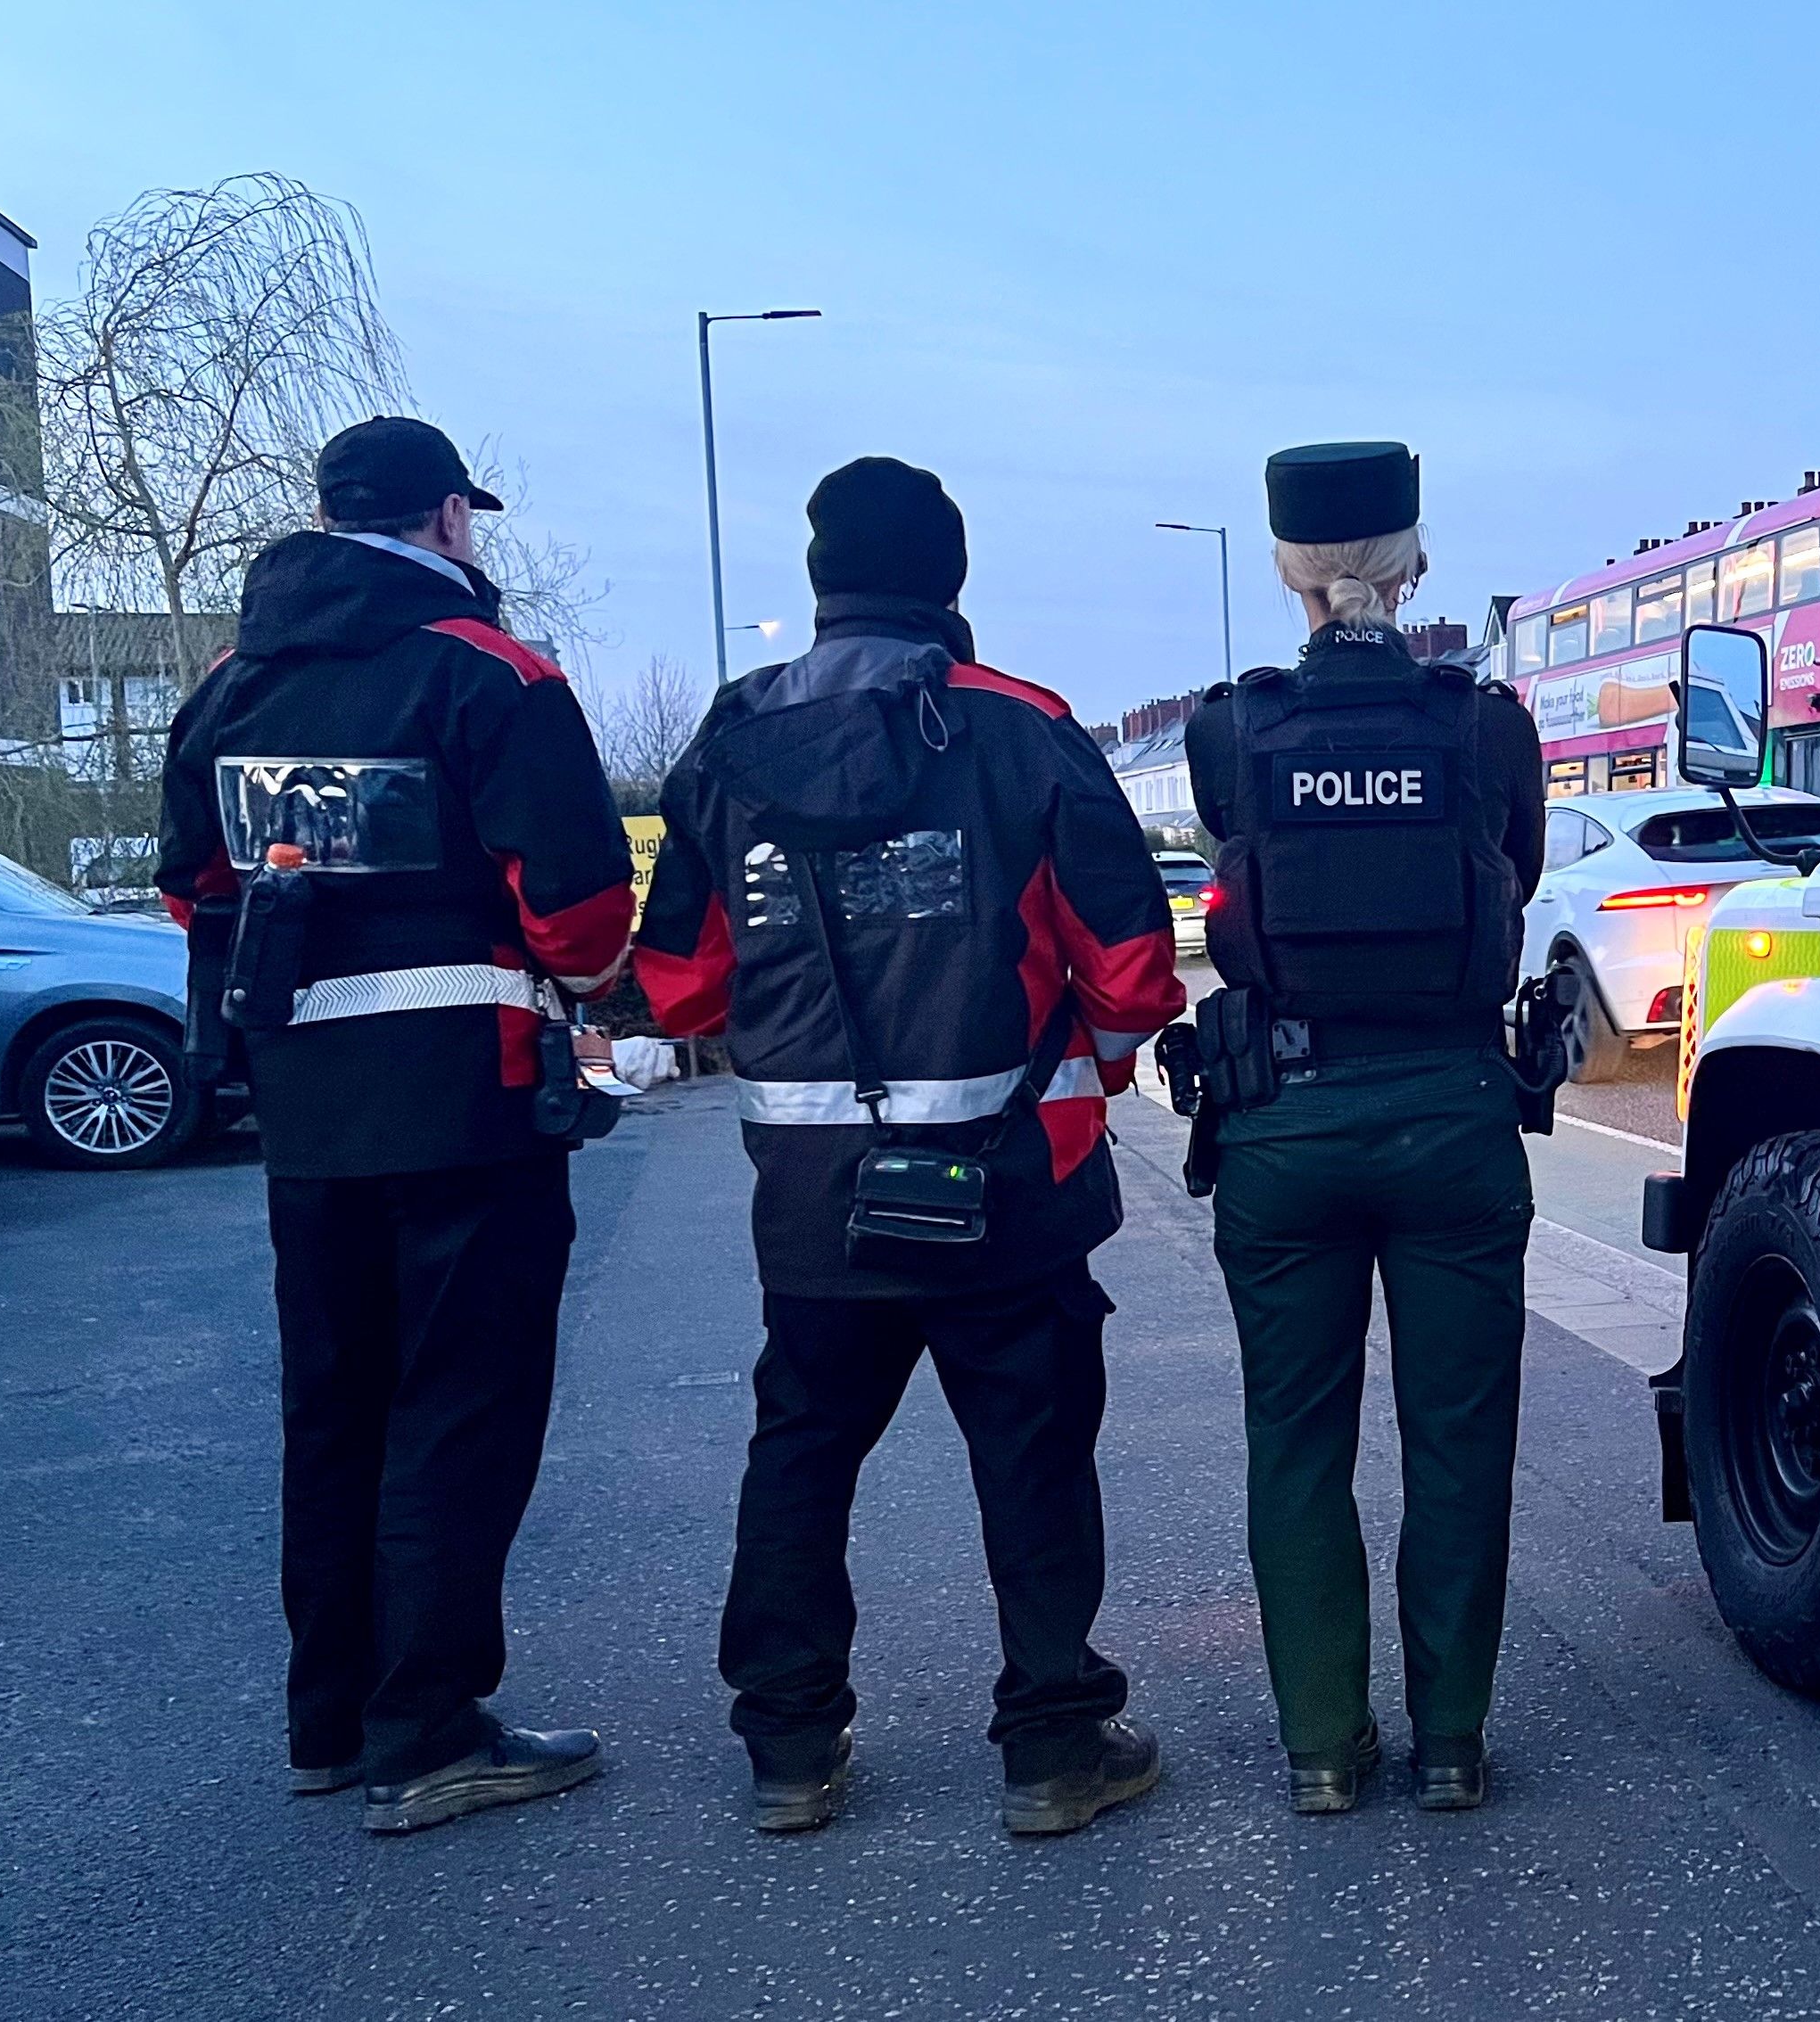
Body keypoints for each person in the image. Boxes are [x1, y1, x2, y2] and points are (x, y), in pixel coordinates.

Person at [623, 456, 1185, 1836]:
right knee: (1035, 1452)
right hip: (1014, 1184)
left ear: (821, 586)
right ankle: (1056, 1746)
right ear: (952, 581)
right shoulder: (1022, 728)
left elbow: (679, 987)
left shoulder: (730, 740)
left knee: (803, 1451)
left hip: (816, 1198)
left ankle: (790, 1747)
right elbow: (1129, 968)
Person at [154, 416, 634, 1835]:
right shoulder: (489, 675)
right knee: (459, 1405)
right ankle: (429, 1729)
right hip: (466, 1100)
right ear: (444, 520)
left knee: (336, 1403)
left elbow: (194, 887)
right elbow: (585, 913)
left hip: (303, 1110)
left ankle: (335, 1714)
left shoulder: (232, 688)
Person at [1182, 440, 1547, 1812]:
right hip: (1453, 1117)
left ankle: (1323, 1750)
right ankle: (1452, 1741)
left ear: (1290, 574)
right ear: (1416, 563)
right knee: (1459, 1439)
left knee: (1297, 1442)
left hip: (1282, 1126)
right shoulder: (1483, 724)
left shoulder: (1233, 730)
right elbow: (1511, 875)